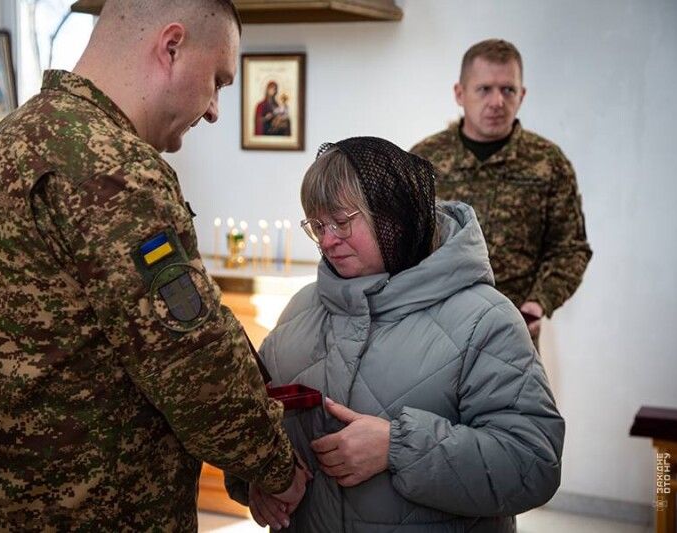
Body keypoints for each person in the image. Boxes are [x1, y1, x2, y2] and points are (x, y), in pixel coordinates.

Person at [0, 0, 307, 530]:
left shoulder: (5, 140)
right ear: (171, 47)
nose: (214, 108)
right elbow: (192, 356)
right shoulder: (113, 165)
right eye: (217, 79)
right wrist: (275, 468)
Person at [228, 137, 564, 531]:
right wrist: (260, 484)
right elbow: (250, 425)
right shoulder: (302, 308)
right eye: (317, 225)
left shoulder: (485, 320)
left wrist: (398, 449)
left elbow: (533, 462)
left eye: (342, 221)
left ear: (394, 218)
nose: (327, 240)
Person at [411, 39, 592, 341]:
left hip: (512, 331)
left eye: (508, 90)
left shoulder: (548, 163)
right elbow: (401, 241)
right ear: (460, 93)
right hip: (436, 329)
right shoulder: (423, 160)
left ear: (522, 95)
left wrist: (539, 302)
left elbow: (570, 249)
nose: (497, 101)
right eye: (484, 89)